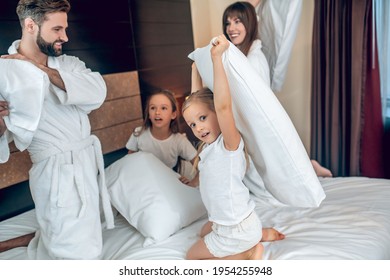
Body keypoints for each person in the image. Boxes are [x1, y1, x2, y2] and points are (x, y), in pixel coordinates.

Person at [0, 0, 114, 259]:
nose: (65, 36)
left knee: (83, 235)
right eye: (57, 29)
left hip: (84, 163)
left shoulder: (69, 65)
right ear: (31, 26)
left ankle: (34, 239)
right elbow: (2, 140)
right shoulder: (3, 73)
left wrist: (39, 69)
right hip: (53, 173)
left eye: (65, 28)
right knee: (73, 253)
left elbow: (98, 92)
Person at [183, 35, 283, 260]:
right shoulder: (208, 148)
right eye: (192, 124)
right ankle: (259, 234)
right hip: (241, 223)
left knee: (191, 257)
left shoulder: (229, 143)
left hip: (235, 231)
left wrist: (216, 59)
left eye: (202, 118)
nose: (198, 127)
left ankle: (247, 254)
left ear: (216, 114)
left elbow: (223, 104)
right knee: (202, 231)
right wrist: (195, 71)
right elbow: (198, 101)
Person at [222, 1, 332, 177]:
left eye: (237, 21)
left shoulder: (253, 61)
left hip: (259, 119)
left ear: (249, 23)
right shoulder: (242, 55)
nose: (231, 28)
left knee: (277, 167)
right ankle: (309, 166)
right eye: (228, 23)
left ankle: (309, 168)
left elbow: (252, 100)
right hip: (255, 119)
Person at [126, 90, 198, 186]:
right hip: (143, 180)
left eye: (163, 108)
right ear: (149, 114)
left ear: (173, 114)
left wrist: (193, 183)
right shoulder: (139, 133)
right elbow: (129, 161)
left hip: (167, 183)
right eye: (153, 108)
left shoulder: (179, 140)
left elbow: (201, 164)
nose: (157, 112)